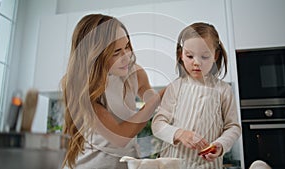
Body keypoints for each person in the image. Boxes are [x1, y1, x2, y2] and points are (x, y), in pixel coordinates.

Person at [61, 14, 164, 169]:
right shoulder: (82, 89)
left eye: (127, 46)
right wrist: (156, 100)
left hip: (125, 163)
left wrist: (159, 101)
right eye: (116, 52)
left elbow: (148, 94)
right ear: (95, 56)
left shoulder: (134, 73)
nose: (126, 57)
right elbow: (119, 137)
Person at [151, 22, 241, 168]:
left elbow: (233, 127)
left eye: (205, 56)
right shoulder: (175, 87)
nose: (196, 62)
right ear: (181, 55)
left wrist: (220, 145)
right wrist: (179, 133)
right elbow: (157, 125)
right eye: (190, 56)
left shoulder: (223, 90)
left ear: (215, 56)